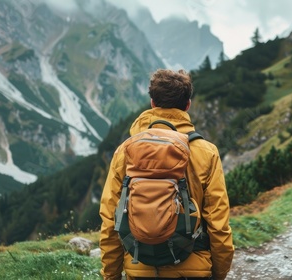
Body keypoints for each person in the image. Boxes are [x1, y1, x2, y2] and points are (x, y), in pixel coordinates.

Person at [99, 69, 234, 280]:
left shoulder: (125, 151)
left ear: (152, 103)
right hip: (193, 269)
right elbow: (218, 223)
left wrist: (111, 276)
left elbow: (110, 222)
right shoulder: (207, 152)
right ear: (187, 105)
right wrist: (218, 273)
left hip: (139, 268)